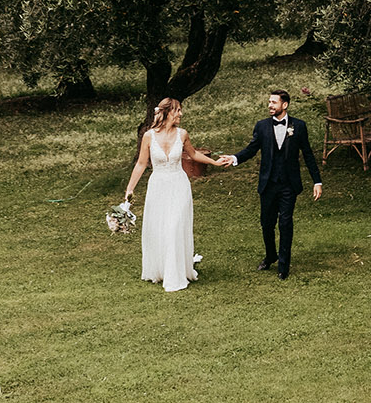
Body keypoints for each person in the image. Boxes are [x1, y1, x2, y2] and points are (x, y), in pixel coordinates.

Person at [122, 97, 232, 292]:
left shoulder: (182, 134)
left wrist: (214, 162)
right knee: (160, 228)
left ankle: (175, 275)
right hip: (158, 187)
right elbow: (141, 164)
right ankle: (162, 269)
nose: (181, 114)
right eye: (177, 110)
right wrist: (130, 189)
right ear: (166, 112)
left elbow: (193, 154)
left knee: (174, 227)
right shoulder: (148, 136)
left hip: (179, 186)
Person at [222, 88, 322, 279]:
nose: (270, 105)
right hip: (268, 184)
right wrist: (234, 158)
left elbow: (308, 154)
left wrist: (317, 181)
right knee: (267, 224)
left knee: (285, 223)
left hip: (289, 185)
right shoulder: (262, 126)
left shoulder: (299, 126)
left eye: (273, 102)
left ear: (285, 105)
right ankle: (270, 256)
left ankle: (283, 266)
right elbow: (251, 149)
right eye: (269, 102)